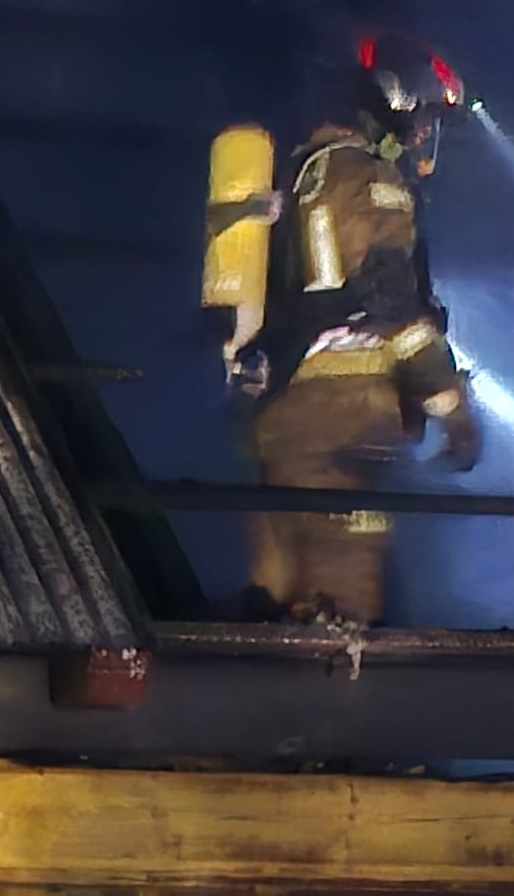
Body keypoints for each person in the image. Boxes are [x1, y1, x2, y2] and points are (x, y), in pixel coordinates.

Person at [203, 32, 480, 626]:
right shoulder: (372, 182)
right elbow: (394, 303)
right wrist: (450, 406)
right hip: (348, 417)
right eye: (426, 119)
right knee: (342, 607)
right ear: (398, 102)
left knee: (275, 588)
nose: (424, 137)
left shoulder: (302, 169)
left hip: (280, 413)